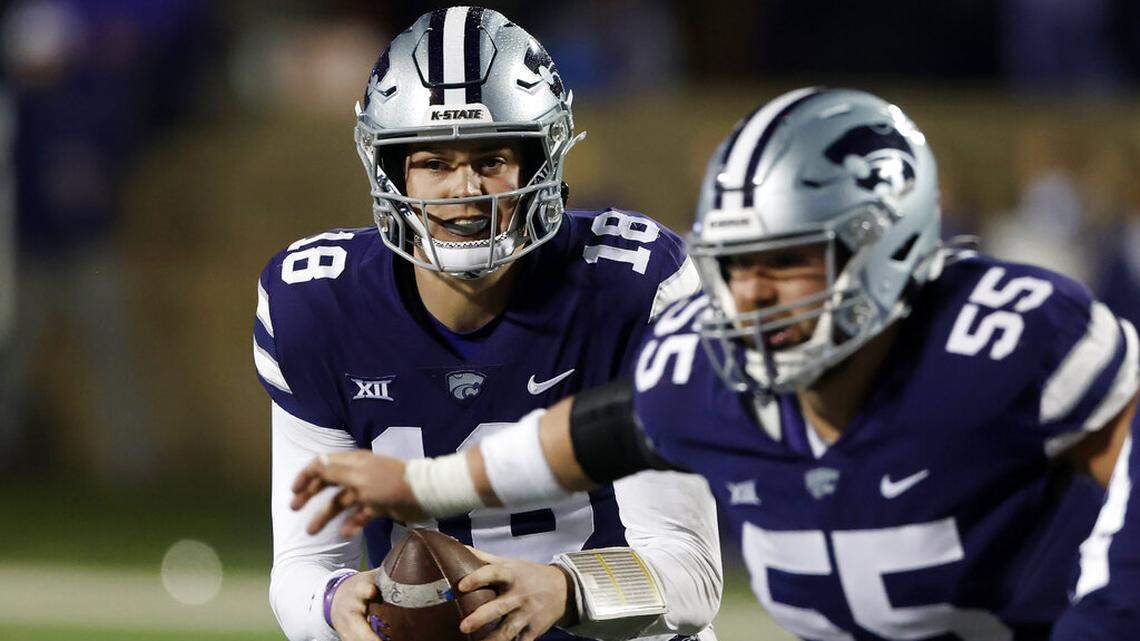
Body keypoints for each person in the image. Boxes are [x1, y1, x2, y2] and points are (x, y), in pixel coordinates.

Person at [293, 88, 1140, 640]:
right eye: (733, 263)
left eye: (789, 260)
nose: (754, 295)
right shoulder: (712, 373)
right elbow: (587, 436)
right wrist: (425, 488)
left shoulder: (1000, 338)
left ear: (886, 248)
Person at [255, 7, 720, 641]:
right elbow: (304, 568)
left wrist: (563, 588)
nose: (464, 188)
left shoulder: (630, 286)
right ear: (390, 170)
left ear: (541, 161)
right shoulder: (317, 305)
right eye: (434, 162)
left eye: (493, 158)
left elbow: (690, 577)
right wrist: (336, 604)